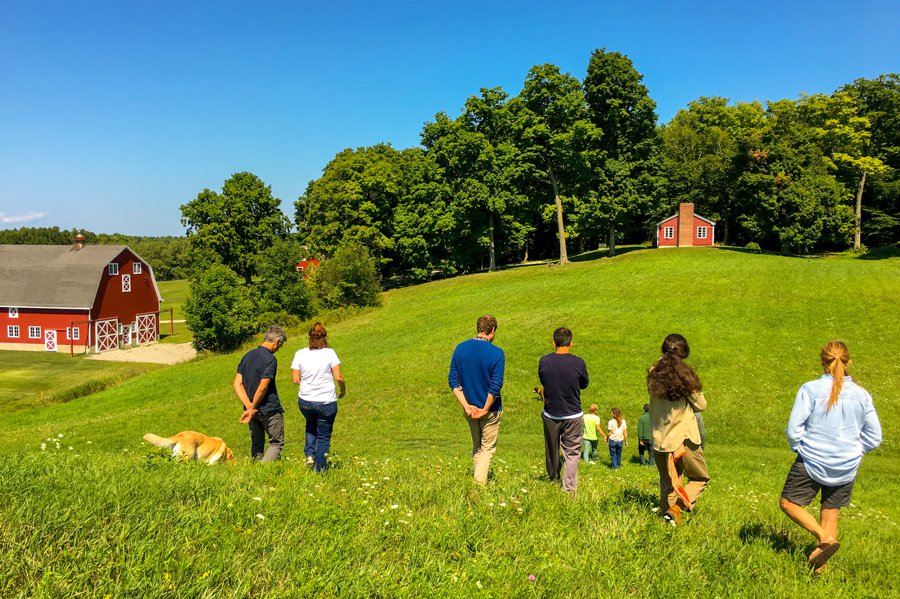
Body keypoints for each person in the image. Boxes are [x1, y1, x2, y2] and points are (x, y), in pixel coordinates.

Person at [779, 341, 881, 572]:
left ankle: (824, 538)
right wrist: (856, 451)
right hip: (847, 465)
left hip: (812, 459)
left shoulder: (810, 389)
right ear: (848, 362)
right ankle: (819, 570)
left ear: (822, 361)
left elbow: (794, 429)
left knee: (788, 503)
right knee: (830, 513)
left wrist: (799, 448)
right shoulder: (862, 395)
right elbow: (875, 437)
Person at [647, 333, 709, 526]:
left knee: (667, 483)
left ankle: (667, 523)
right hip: (683, 440)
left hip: (659, 439)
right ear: (684, 353)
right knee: (699, 478)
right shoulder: (685, 377)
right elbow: (701, 405)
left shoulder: (653, 373)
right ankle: (677, 509)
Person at [448, 315, 505, 485]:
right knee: (487, 449)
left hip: (470, 410)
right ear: (492, 330)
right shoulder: (497, 353)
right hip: (490, 410)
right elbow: (495, 386)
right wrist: (485, 409)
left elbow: (453, 381)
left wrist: (466, 406)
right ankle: (478, 486)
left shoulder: (460, 349)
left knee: (477, 447)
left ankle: (477, 481)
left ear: (478, 328)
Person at [538, 327, 589, 493]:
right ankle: (569, 489)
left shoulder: (544, 361)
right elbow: (584, 384)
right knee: (572, 453)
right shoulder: (578, 362)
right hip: (573, 414)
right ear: (571, 343)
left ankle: (553, 478)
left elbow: (543, 380)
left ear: (554, 342)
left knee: (552, 449)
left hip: (551, 413)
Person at [291, 322, 346, 473]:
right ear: (324, 337)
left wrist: (309, 384)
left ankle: (309, 455)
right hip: (326, 401)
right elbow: (339, 377)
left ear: (310, 338)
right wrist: (343, 390)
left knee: (310, 423)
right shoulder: (330, 353)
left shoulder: (300, 353)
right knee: (323, 436)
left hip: (305, 400)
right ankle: (320, 469)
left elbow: (295, 379)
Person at [233, 325, 287, 462]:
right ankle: (263, 470)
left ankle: (256, 467)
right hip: (268, 408)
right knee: (276, 443)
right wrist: (253, 407)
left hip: (251, 410)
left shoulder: (247, 356)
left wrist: (248, 407)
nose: (279, 349)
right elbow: (263, 387)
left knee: (257, 443)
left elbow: (237, 383)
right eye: (280, 346)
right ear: (277, 342)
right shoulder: (270, 359)